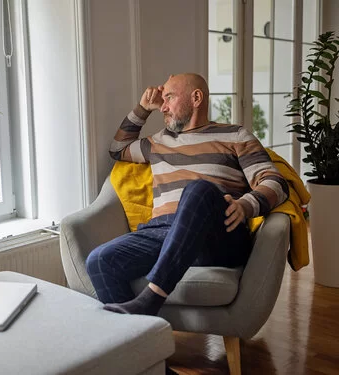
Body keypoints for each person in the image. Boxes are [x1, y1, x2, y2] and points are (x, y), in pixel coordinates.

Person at [86, 73, 289, 316]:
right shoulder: (158, 141)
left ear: (196, 98)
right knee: (99, 260)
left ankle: (152, 297)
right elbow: (117, 149)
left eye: (169, 97)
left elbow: (275, 182)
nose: (163, 106)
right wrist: (142, 109)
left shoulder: (235, 136)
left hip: (216, 233)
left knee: (198, 189)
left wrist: (246, 205)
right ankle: (142, 343)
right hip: (159, 232)